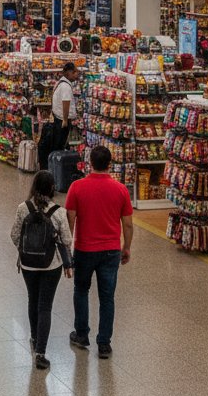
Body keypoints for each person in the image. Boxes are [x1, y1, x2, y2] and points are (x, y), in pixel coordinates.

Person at [65, 144, 133, 360]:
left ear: (90, 164)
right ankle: (104, 343)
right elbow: (128, 224)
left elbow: (70, 219)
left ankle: (82, 334)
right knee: (107, 297)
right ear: (110, 165)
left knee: (81, 290)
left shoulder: (76, 187)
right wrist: (127, 246)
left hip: (84, 248)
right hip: (111, 250)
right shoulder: (121, 189)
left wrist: (68, 247)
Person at [10, 170, 73, 369]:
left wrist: (26, 250)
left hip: (28, 264)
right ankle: (41, 352)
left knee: (32, 299)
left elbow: (14, 235)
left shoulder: (23, 208)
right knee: (45, 306)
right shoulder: (59, 212)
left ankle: (35, 337)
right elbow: (67, 240)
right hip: (51, 265)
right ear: (52, 188)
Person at [41, 62, 80, 168]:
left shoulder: (61, 83)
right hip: (61, 121)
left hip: (57, 118)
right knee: (59, 146)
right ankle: (55, 168)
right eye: (75, 72)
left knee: (56, 145)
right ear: (69, 73)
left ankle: (52, 167)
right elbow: (65, 103)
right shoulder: (65, 86)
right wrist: (65, 120)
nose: (77, 74)